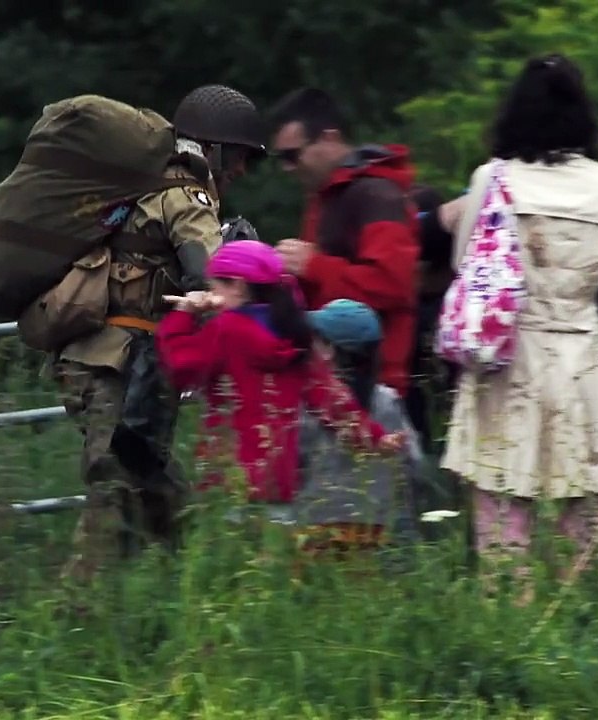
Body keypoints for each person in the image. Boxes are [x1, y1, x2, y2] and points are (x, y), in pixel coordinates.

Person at [439, 54, 598, 601]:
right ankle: (583, 623)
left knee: (503, 508)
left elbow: (467, 267)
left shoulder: (493, 179)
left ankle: (510, 631)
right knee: (587, 509)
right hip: (585, 355)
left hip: (511, 355)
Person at [54, 84, 266, 586]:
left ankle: (201, 597)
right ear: (209, 150)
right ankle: (75, 620)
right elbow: (209, 271)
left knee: (157, 490)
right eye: (236, 157)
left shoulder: (146, 185)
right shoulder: (187, 195)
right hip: (113, 364)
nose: (240, 170)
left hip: (107, 361)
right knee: (117, 486)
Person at [154, 241, 405, 517]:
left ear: (237, 285)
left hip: (226, 479)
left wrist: (182, 317)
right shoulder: (294, 334)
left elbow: (181, 368)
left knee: (226, 555)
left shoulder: (226, 331)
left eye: (215, 286)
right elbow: (331, 397)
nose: (212, 293)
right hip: (277, 481)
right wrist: (375, 437)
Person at [265, 87, 421, 398]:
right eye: (280, 158)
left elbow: (392, 285)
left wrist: (313, 266)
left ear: (329, 137)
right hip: (331, 378)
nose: (287, 167)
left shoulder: (376, 194)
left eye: (292, 155)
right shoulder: (324, 197)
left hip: (378, 385)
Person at [294, 299, 423, 558]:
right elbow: (413, 468)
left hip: (313, 538)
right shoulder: (388, 402)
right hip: (378, 537)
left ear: (329, 350)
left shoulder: (304, 407)